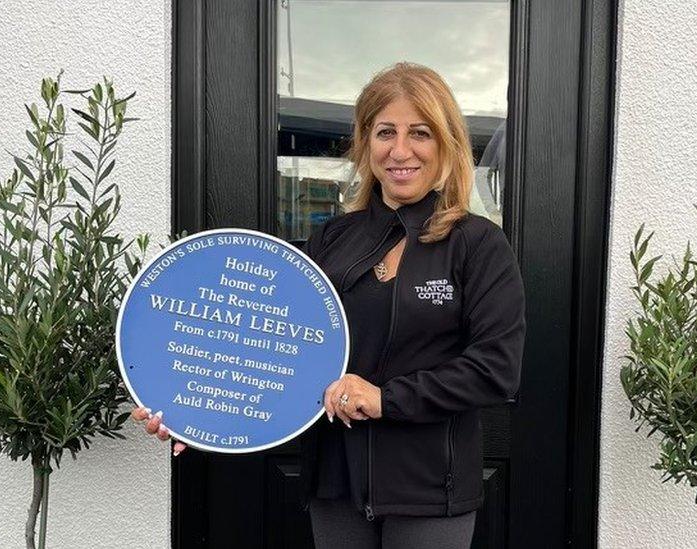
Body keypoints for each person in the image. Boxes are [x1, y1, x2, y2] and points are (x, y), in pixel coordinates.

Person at [133, 62, 525, 549]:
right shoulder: (332, 240)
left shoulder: (477, 244)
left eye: (419, 132)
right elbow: (269, 347)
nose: (400, 151)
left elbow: (496, 369)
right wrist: (199, 412)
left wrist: (385, 399)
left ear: (445, 142)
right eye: (385, 132)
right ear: (365, 143)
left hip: (431, 490)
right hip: (335, 483)